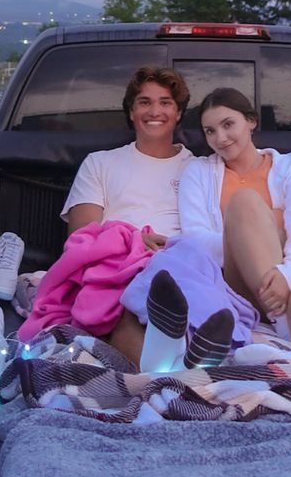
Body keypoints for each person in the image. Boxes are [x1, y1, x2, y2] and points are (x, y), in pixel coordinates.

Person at [178, 87, 291, 362]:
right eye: (210, 131)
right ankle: (282, 318)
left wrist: (288, 273)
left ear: (250, 121)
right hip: (243, 279)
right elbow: (195, 237)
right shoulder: (197, 172)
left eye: (228, 124)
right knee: (245, 204)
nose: (220, 138)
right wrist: (251, 235)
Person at [60, 64, 194, 364]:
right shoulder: (100, 163)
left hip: (180, 266)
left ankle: (180, 367)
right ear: (131, 112)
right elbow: (81, 237)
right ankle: (160, 379)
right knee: (126, 302)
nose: (154, 111)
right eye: (144, 102)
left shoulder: (198, 169)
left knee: (184, 289)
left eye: (165, 102)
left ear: (179, 113)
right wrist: (134, 242)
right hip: (118, 269)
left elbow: (210, 233)